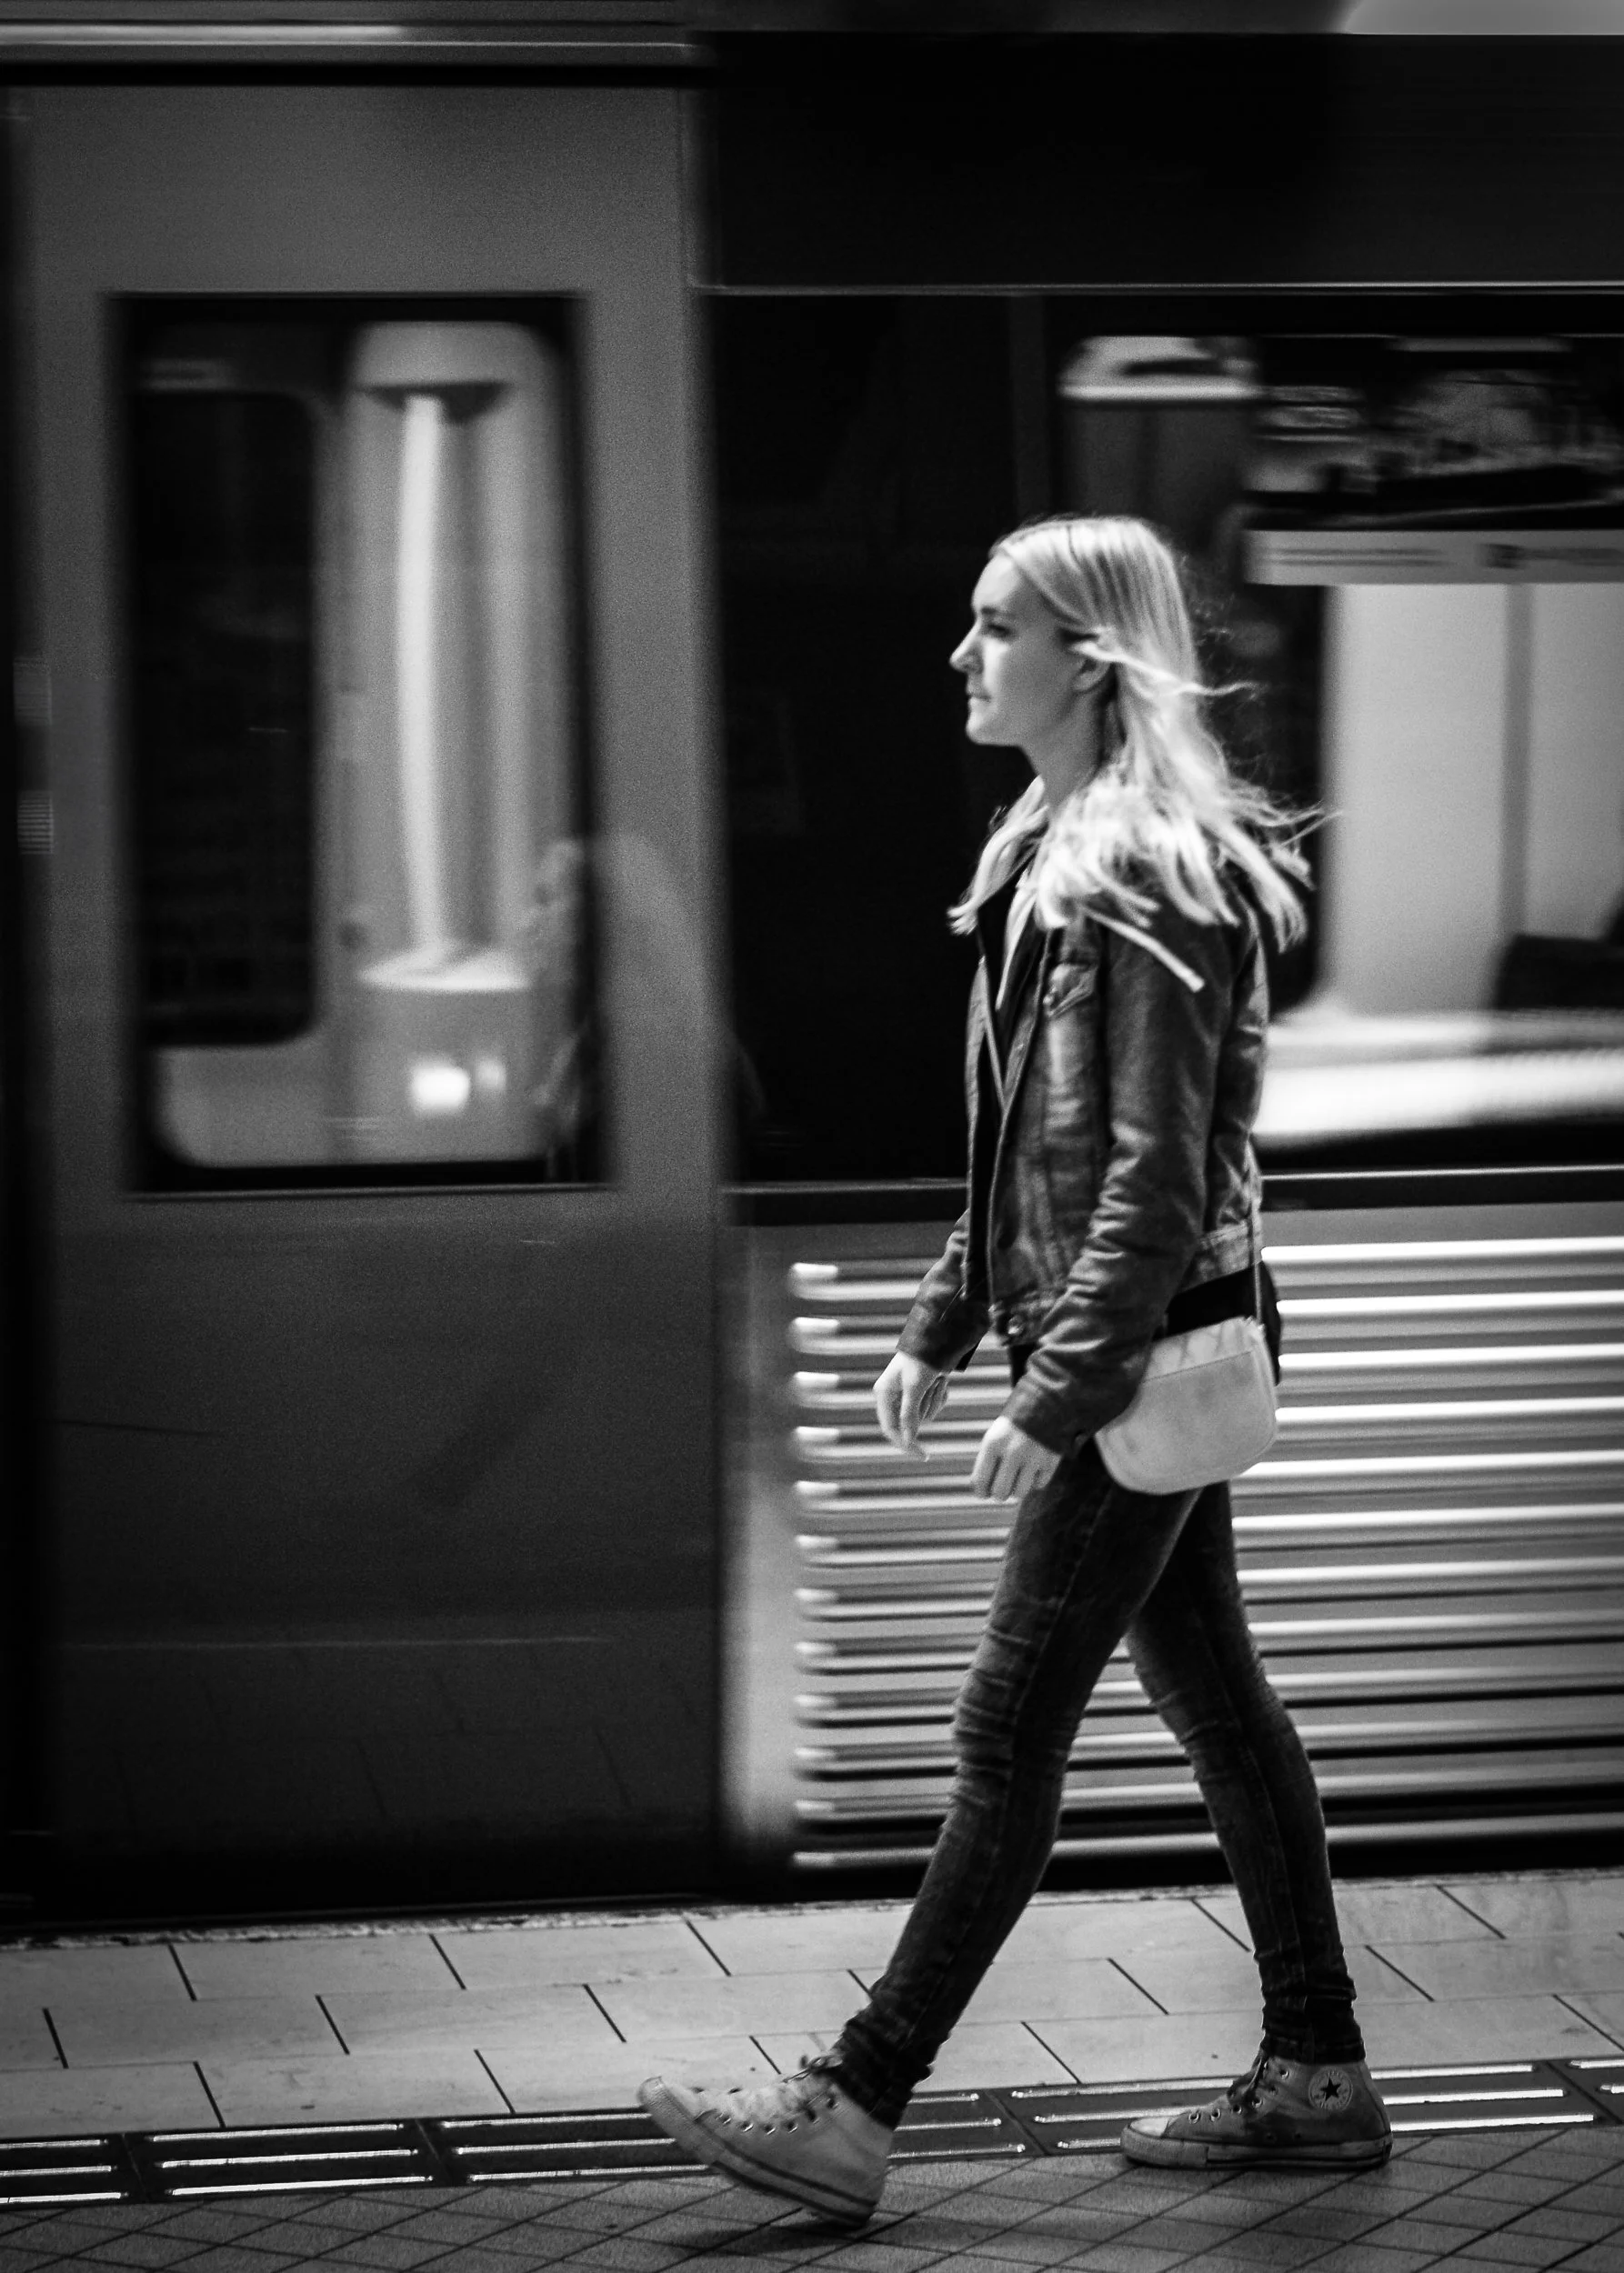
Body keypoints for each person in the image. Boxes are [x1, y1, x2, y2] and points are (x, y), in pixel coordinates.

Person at [639, 515, 1390, 2224]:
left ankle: (851, 2101)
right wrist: (937, 1322)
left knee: (1003, 1736)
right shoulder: (1050, 844)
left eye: (995, 629)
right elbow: (1024, 1164)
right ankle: (1315, 2077)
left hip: (1135, 1357)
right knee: (1214, 1697)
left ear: (1088, 660)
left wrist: (1052, 1390)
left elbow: (1154, 1172)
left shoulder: (1149, 868)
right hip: (1113, 1349)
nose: (962, 657)